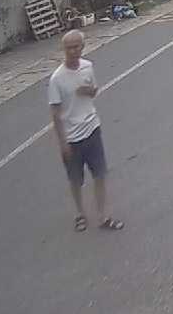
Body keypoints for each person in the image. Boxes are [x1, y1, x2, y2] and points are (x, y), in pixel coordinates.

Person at [48, 30, 123, 232]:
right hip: (72, 138)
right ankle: (79, 214)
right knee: (76, 180)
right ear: (64, 50)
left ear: (82, 47)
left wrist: (87, 90)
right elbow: (55, 112)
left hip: (92, 129)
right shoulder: (57, 79)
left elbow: (94, 91)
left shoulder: (88, 67)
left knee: (100, 174)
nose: (73, 51)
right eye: (68, 48)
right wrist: (62, 142)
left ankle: (103, 216)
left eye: (76, 47)